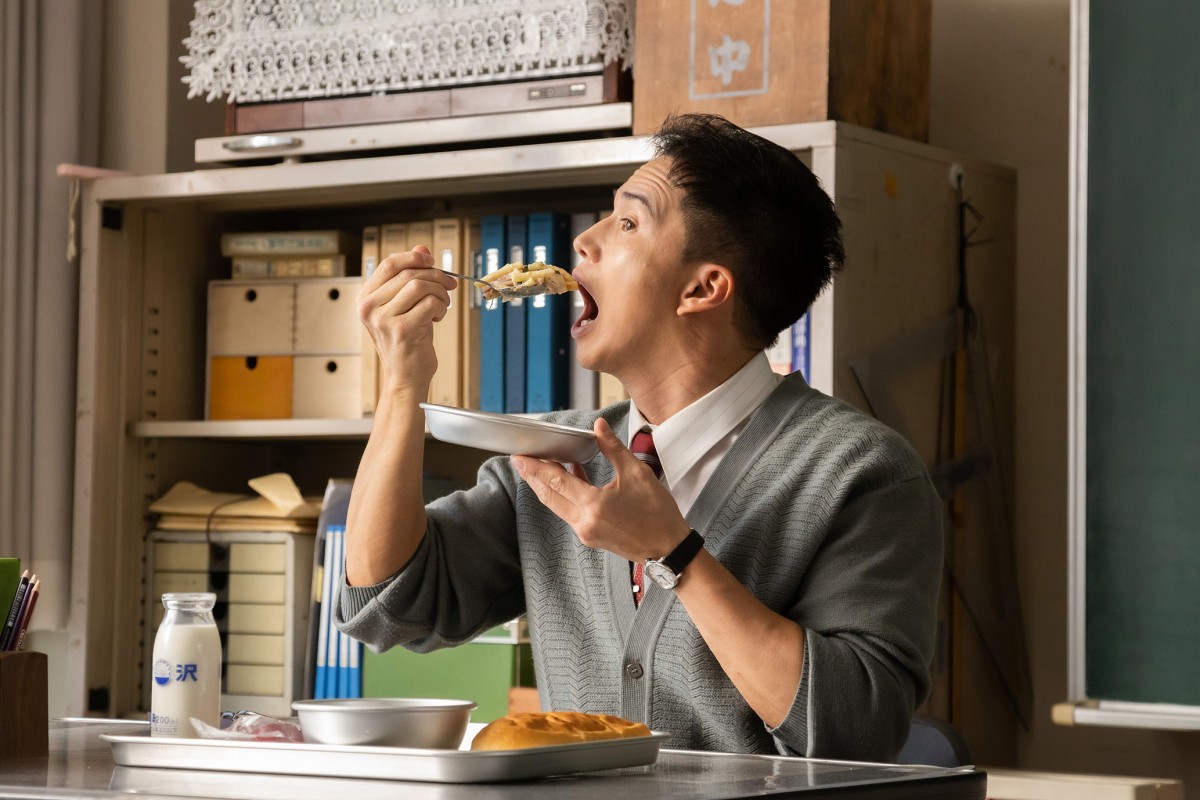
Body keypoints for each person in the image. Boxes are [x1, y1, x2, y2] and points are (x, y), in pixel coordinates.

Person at [336, 113, 943, 762]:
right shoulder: (556, 454)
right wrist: (402, 389)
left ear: (703, 288)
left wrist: (673, 553)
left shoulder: (862, 474)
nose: (585, 242)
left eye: (627, 222)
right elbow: (386, 604)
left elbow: (854, 727)